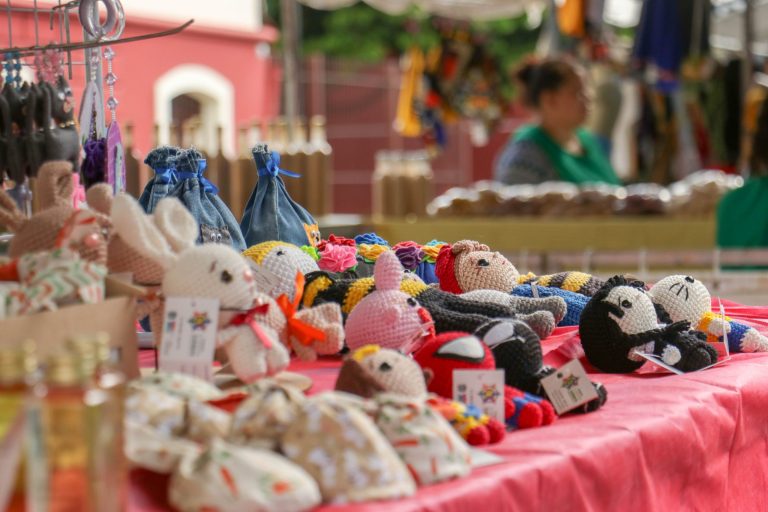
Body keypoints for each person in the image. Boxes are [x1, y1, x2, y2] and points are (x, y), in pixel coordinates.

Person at [493, 58, 622, 186]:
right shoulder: (524, 157)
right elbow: (514, 204)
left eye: (588, 89)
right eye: (578, 92)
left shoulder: (586, 140)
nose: (589, 97)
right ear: (549, 100)